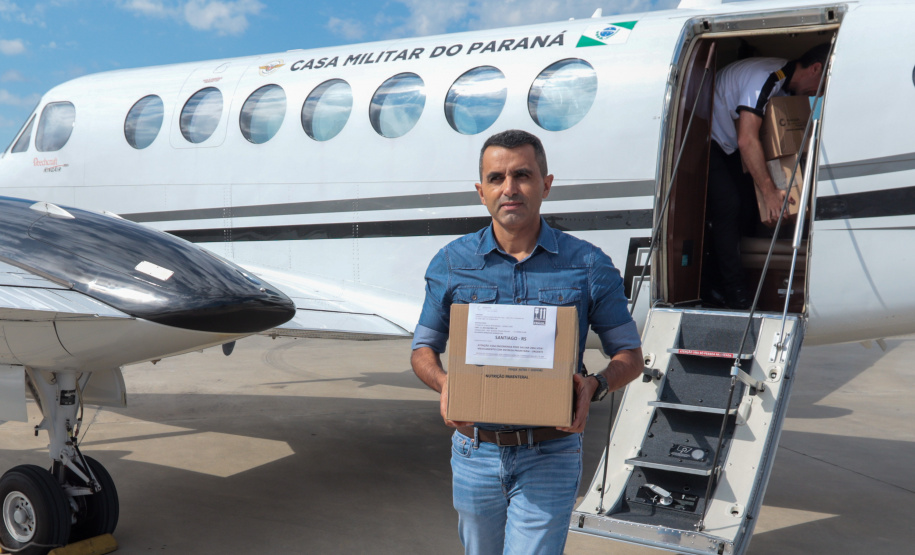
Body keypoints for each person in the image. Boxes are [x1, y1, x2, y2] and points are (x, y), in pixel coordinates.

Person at [410, 129, 643, 554]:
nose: (509, 188)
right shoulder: (451, 263)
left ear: (546, 184)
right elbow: (422, 349)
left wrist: (595, 385)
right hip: (475, 452)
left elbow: (630, 355)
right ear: (481, 191)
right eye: (496, 178)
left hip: (551, 454)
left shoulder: (588, 264)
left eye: (522, 175)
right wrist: (446, 385)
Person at [705, 43, 829, 309]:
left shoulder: (787, 86)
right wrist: (769, 191)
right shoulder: (767, 78)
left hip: (732, 144)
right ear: (816, 69)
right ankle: (734, 294)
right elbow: (747, 139)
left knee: (747, 209)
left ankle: (736, 285)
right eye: (823, 84)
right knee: (729, 206)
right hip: (711, 137)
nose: (819, 93)